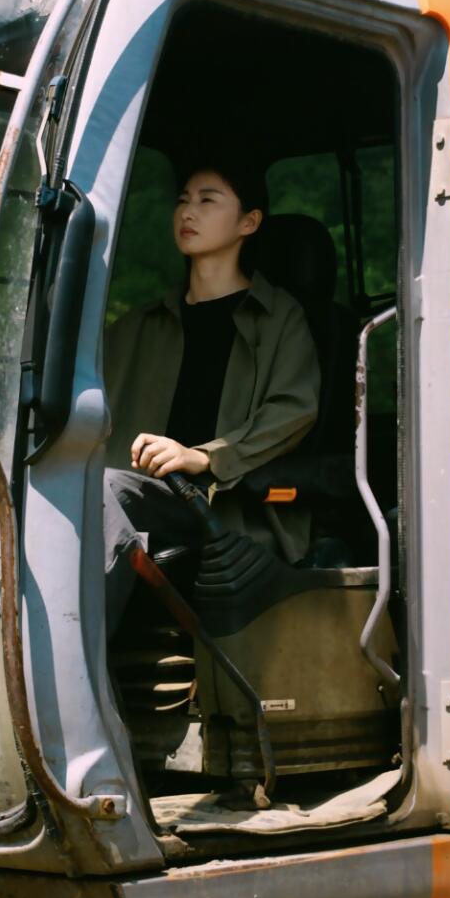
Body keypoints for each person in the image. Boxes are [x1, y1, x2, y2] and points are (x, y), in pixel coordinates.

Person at [102, 156, 320, 633]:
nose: (188, 211)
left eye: (207, 200)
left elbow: (293, 412)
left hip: (222, 505)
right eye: (183, 200)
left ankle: (73, 659)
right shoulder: (138, 326)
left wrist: (204, 456)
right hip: (135, 493)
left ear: (249, 222)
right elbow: (79, 403)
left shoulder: (280, 318)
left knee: (102, 492)